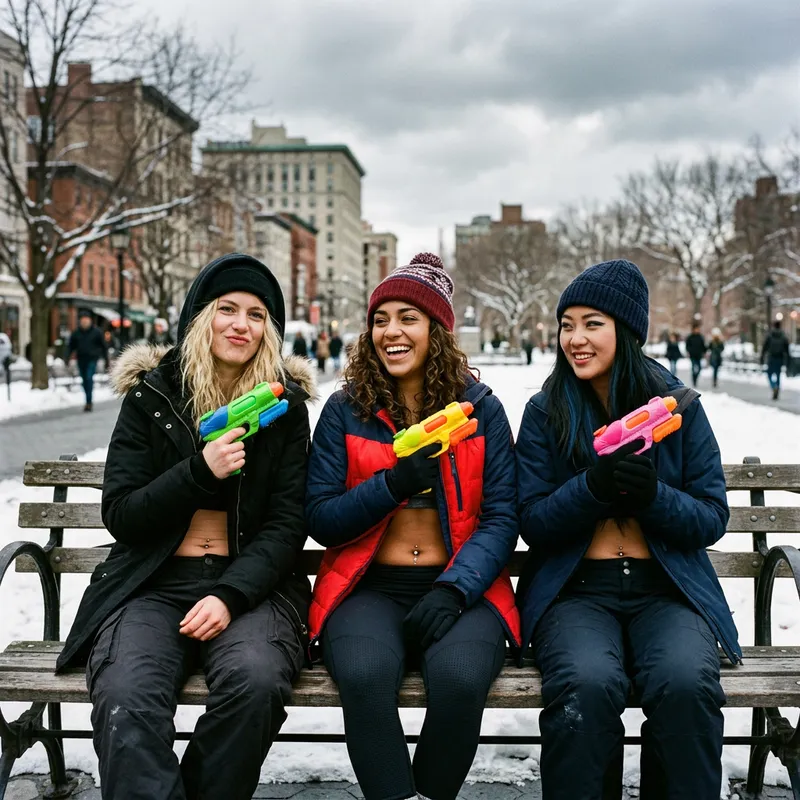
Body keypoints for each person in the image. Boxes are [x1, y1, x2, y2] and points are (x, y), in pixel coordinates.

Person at [56, 254, 315, 800]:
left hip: (250, 588)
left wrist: (229, 594)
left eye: (257, 314)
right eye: (227, 309)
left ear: (270, 329)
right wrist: (200, 471)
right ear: (201, 316)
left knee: (257, 682)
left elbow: (287, 525)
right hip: (152, 584)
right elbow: (122, 513)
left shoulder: (284, 408)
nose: (241, 324)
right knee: (126, 693)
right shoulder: (152, 397)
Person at [515, 259, 739, 800]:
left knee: (686, 684)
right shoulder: (545, 411)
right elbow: (533, 521)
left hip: (666, 593)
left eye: (593, 323)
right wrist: (591, 489)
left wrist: (652, 497)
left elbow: (711, 516)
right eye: (567, 325)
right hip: (577, 595)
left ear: (626, 330)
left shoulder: (678, 409)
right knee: (586, 687)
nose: (576, 339)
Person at [306, 252, 520, 800]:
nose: (391, 332)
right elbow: (322, 518)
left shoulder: (480, 411)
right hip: (368, 588)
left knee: (461, 679)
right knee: (364, 675)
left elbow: (501, 518)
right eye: (381, 319)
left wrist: (454, 589)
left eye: (408, 318)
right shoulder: (345, 410)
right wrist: (394, 484)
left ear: (437, 330)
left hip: (462, 591)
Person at [68, 310, 107, 411]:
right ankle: (87, 400)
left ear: (90, 321)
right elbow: (71, 346)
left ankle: (89, 402)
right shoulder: (76, 333)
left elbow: (103, 346)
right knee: (84, 380)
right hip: (81, 359)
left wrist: (106, 359)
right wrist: (66, 357)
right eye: (83, 320)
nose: (84, 322)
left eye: (86, 320)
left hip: (92, 359)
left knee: (89, 378)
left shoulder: (96, 332)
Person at [761, 320, 790, 400]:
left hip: (771, 358)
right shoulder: (783, 337)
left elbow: (764, 348)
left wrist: (762, 357)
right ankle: (777, 388)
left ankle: (773, 386)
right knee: (778, 375)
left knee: (769, 374)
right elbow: (787, 351)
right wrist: (788, 362)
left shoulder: (770, 336)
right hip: (780, 358)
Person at [684, 322, 706, 388]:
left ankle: (695, 378)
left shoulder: (701, 337)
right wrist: (689, 351)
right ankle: (694, 381)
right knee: (693, 368)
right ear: (693, 329)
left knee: (699, 368)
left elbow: (703, 346)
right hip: (692, 356)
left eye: (698, 329)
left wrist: (704, 351)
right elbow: (687, 346)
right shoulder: (690, 337)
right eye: (696, 329)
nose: (697, 330)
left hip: (699, 356)